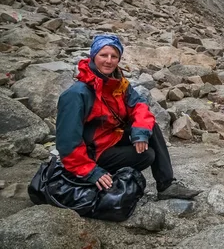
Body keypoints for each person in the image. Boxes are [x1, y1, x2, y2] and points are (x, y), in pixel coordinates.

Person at [56, 34, 200, 200]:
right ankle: (103, 174)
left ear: (119, 59)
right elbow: (67, 142)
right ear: (93, 56)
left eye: (114, 56)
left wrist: (140, 132)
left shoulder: (117, 83)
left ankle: (166, 185)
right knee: (147, 155)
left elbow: (139, 106)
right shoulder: (77, 94)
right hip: (93, 153)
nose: (109, 61)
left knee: (149, 126)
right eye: (103, 55)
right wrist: (90, 171)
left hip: (110, 139)